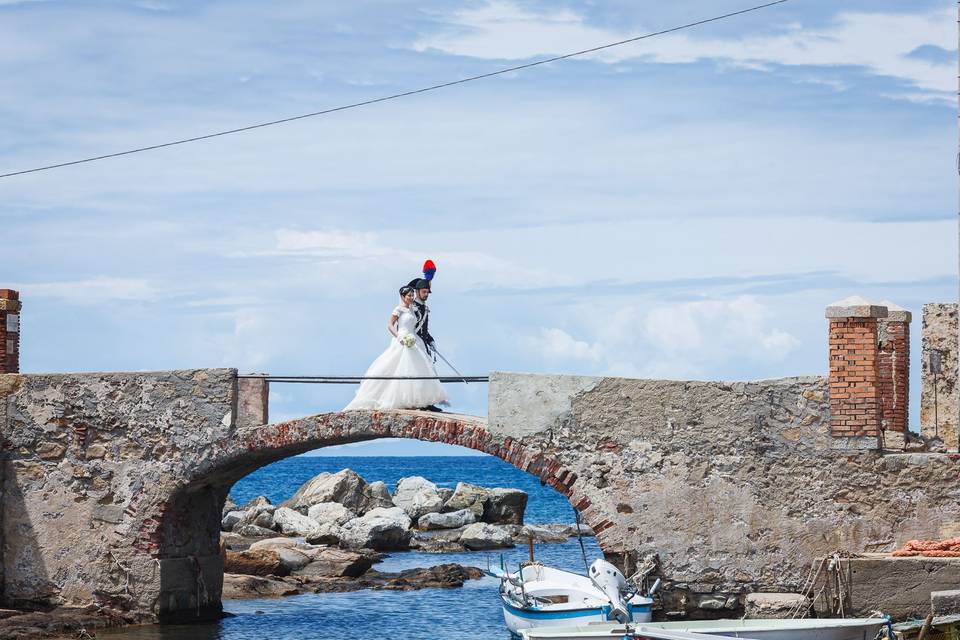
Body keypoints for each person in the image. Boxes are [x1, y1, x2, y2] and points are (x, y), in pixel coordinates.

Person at [344, 285, 449, 411]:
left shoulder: (412, 310)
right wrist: (400, 337)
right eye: (408, 296)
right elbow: (390, 325)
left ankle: (420, 402)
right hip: (402, 339)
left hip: (414, 340)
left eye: (412, 295)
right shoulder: (398, 309)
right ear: (403, 297)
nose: (411, 298)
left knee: (420, 369)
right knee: (399, 368)